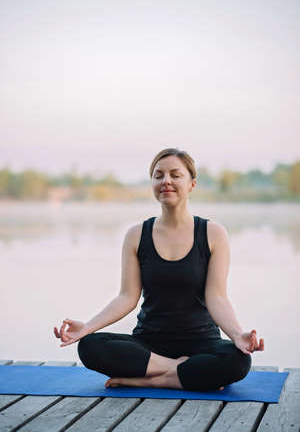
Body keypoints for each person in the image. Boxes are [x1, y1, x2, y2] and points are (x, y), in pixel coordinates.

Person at [54, 148, 264, 392]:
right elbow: (127, 296)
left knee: (238, 361)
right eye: (158, 175)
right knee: (90, 346)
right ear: (152, 183)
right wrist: (88, 327)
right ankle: (183, 373)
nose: (166, 181)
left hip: (202, 342)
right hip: (149, 344)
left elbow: (216, 297)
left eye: (175, 175)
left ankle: (151, 379)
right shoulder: (135, 235)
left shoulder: (213, 233)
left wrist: (237, 335)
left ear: (192, 184)